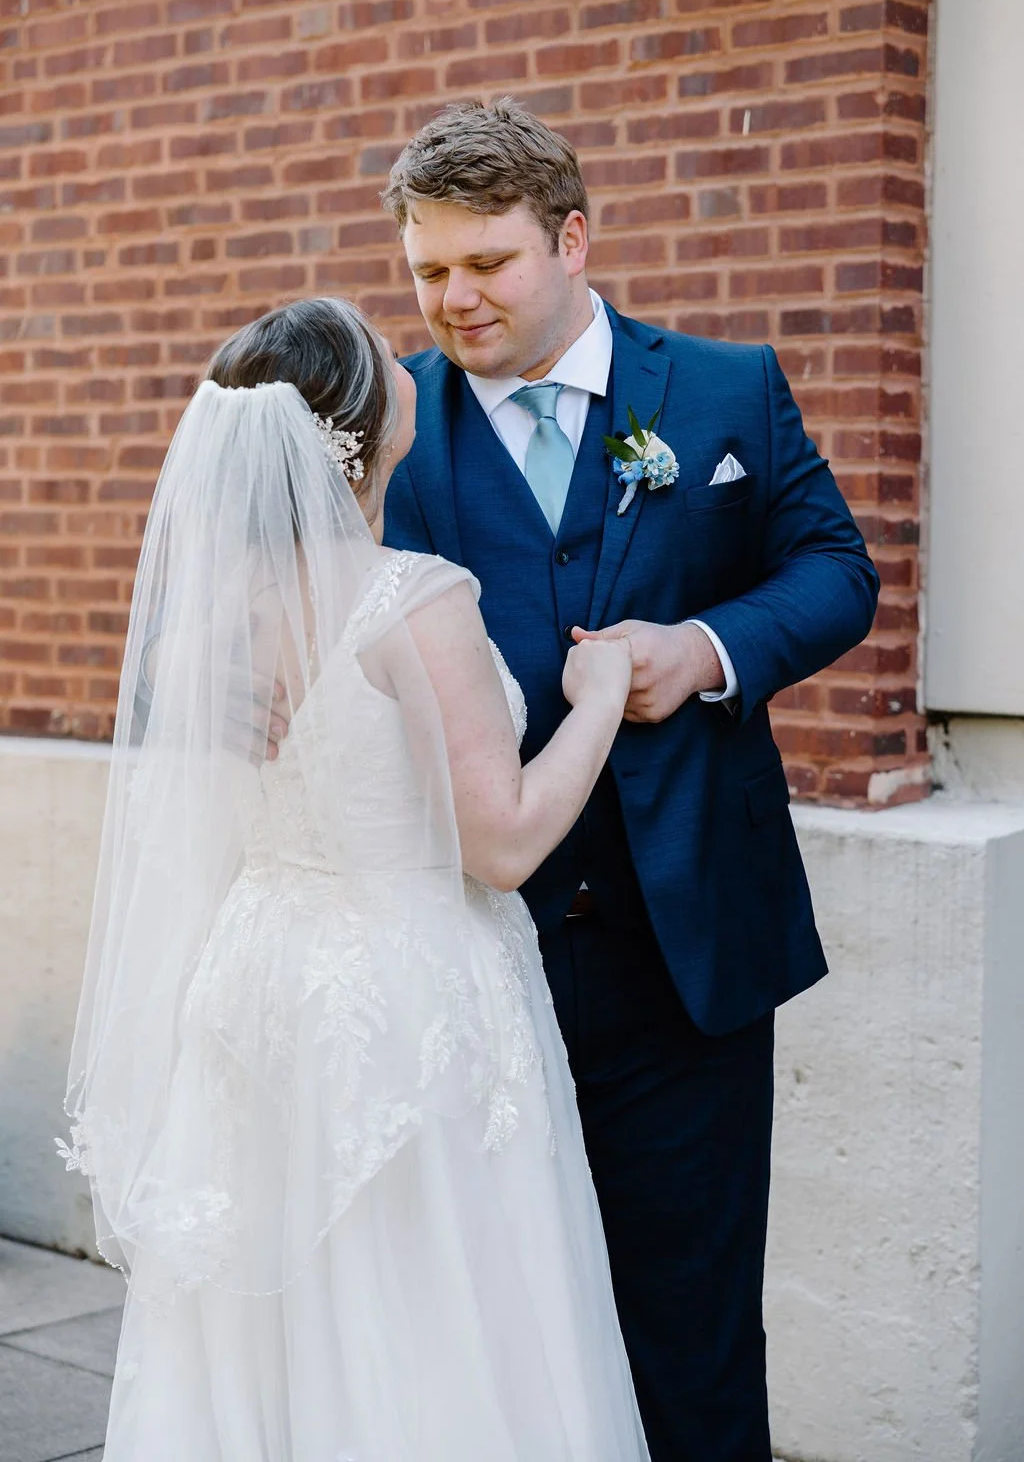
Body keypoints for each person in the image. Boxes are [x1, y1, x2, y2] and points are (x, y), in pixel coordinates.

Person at [61, 296, 651, 1461]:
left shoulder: (208, 618)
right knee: (422, 1306)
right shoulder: (412, 601)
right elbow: (506, 843)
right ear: (359, 424)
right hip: (404, 992)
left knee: (275, 1319)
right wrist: (596, 703)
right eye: (385, 348)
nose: (406, 348)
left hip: (257, 980)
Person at [380, 96, 881, 1462]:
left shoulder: (723, 390)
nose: (455, 298)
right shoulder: (387, 428)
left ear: (576, 239)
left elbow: (838, 573)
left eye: (489, 263)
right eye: (431, 270)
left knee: (693, 1325)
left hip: (688, 951)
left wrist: (711, 647)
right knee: (497, 1332)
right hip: (474, 958)